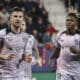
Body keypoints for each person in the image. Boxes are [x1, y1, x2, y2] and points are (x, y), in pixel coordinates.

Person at [0, 7, 36, 80]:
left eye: (20, 17)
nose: (18, 19)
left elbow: (21, 55)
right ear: (10, 19)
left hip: (19, 75)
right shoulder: (2, 34)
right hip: (4, 75)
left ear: (22, 19)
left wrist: (25, 58)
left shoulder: (25, 37)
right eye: (15, 16)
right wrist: (3, 56)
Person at [49, 13, 80, 80]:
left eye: (71, 20)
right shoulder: (60, 35)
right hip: (62, 70)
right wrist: (51, 57)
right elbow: (57, 48)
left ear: (76, 22)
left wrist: (77, 51)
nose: (69, 22)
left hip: (76, 70)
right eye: (67, 20)